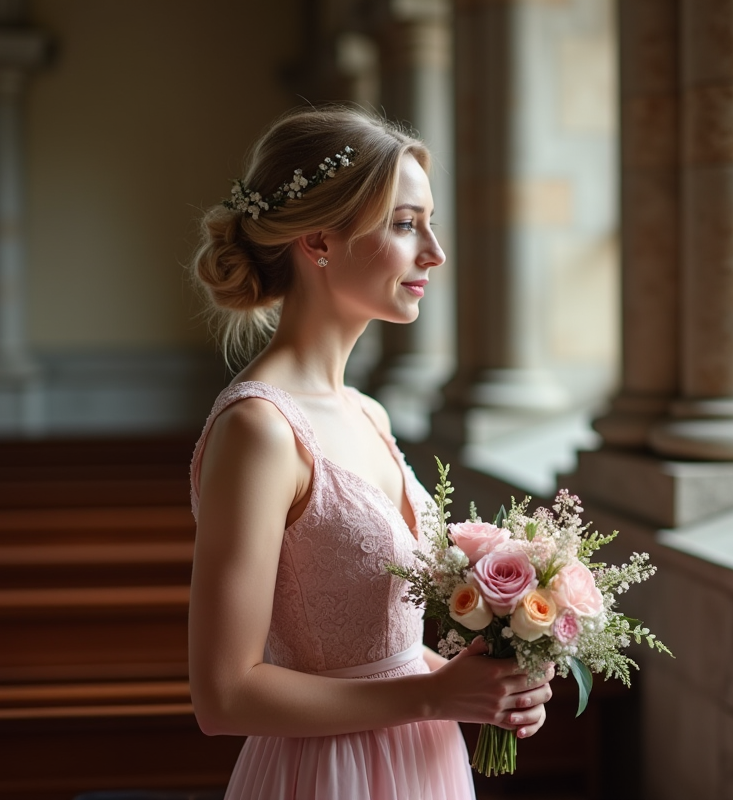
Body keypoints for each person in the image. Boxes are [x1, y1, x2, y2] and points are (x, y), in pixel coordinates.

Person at [187, 106, 553, 800]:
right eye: (406, 223)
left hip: (423, 763)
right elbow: (224, 695)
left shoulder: (367, 413)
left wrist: (489, 682)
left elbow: (380, 640)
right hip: (328, 776)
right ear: (319, 242)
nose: (435, 253)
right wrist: (433, 698)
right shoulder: (261, 430)